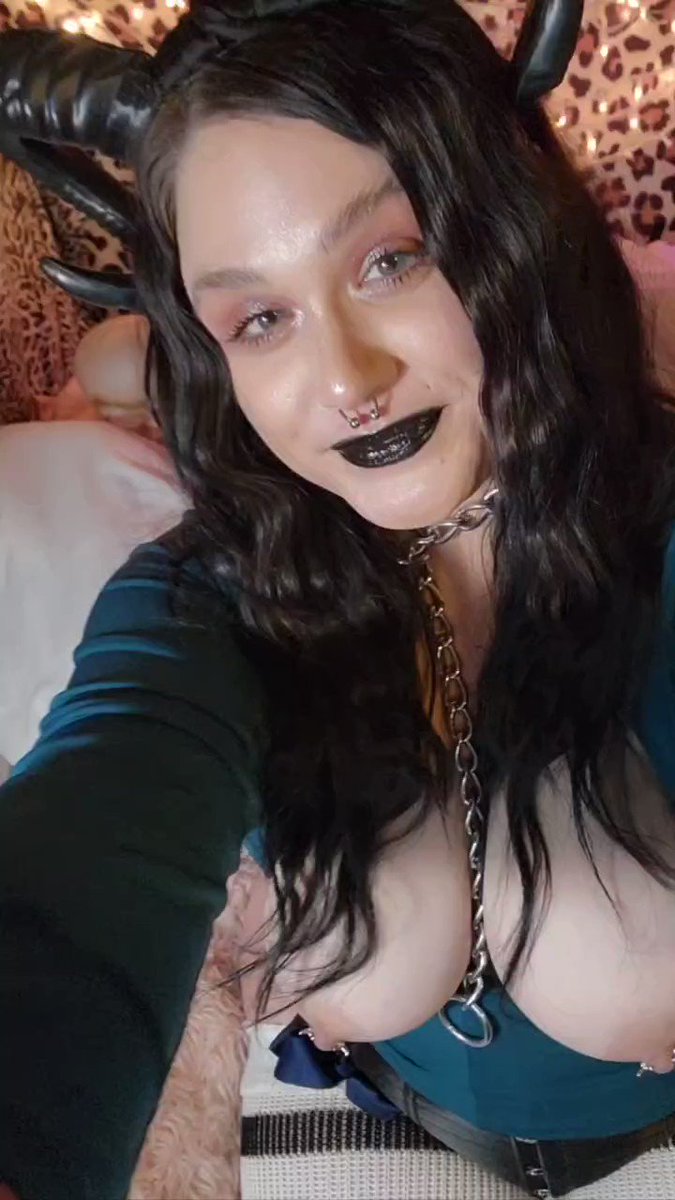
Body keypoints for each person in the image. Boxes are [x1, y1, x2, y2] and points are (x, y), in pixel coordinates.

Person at [0, 1, 674, 1198]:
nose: (349, 381)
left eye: (390, 261)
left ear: (507, 221)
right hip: (381, 1138)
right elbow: (97, 841)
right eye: (261, 319)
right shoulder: (210, 596)